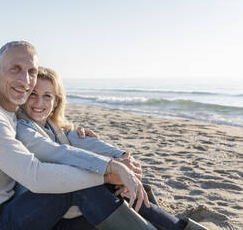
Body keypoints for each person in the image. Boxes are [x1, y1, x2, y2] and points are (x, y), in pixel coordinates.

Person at [0, 41, 155, 230]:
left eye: (31, 71)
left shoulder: (10, 110)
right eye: (15, 69)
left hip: (11, 211)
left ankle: (168, 224)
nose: (25, 80)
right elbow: (36, 176)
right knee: (78, 187)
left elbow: (49, 128)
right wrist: (108, 172)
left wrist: (74, 131)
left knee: (102, 199)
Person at [15, 66, 210, 230]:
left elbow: (83, 142)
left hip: (68, 211)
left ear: (56, 101)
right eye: (33, 94)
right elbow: (58, 153)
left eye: (47, 96)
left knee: (120, 188)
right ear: (24, 95)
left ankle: (177, 227)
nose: (39, 102)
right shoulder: (23, 129)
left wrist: (125, 160)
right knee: (93, 186)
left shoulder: (54, 127)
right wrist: (114, 168)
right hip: (41, 215)